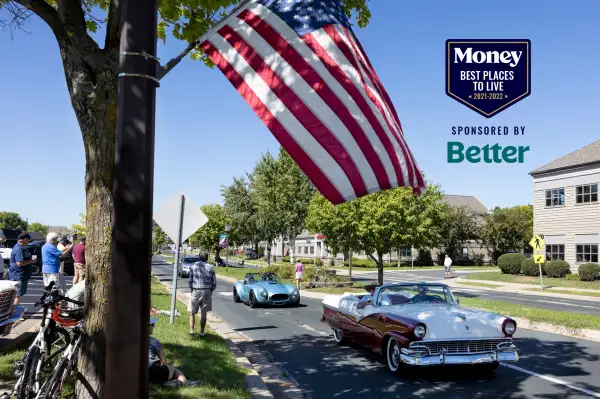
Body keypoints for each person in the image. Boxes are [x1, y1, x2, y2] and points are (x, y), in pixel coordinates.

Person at [148, 317, 200, 387]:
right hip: (151, 372)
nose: (154, 326)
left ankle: (166, 383)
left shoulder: (132, 339)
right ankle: (186, 383)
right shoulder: (154, 342)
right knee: (173, 369)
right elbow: (164, 362)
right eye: (152, 324)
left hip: (135, 372)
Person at [188, 253, 216, 337]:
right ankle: (202, 332)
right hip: (207, 291)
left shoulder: (193, 267)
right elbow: (214, 282)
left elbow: (190, 281)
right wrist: (210, 291)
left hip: (196, 290)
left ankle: (192, 331)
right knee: (204, 313)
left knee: (191, 311)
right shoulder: (211, 267)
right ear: (207, 259)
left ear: (199, 258)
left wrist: (192, 290)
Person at [9, 233, 36, 304]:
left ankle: (13, 310)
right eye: (29, 240)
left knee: (16, 294)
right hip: (18, 275)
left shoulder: (19, 247)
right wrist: (31, 261)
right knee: (17, 295)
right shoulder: (19, 249)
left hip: (19, 274)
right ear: (25, 239)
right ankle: (14, 312)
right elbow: (19, 263)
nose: (29, 241)